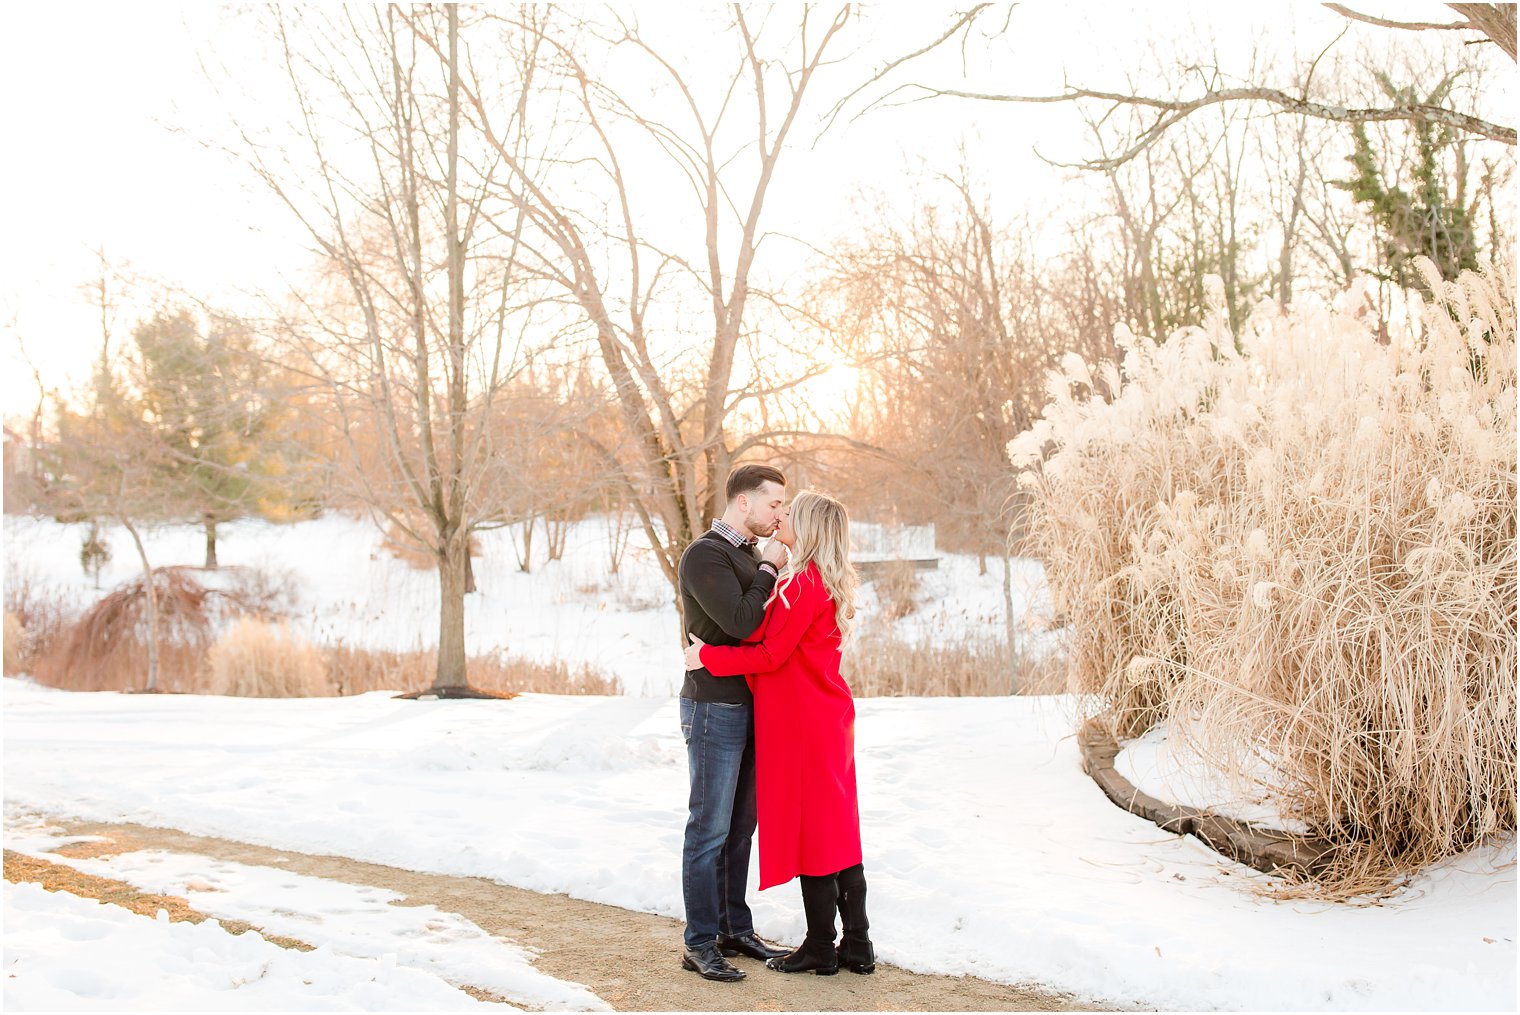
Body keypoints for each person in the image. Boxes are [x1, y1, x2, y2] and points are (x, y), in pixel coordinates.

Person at [684, 490, 875, 977]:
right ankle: (857, 943)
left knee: (815, 833)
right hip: (826, 715)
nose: (779, 517)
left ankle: (820, 946)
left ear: (807, 527)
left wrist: (706, 656)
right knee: (838, 832)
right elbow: (762, 635)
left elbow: (766, 650)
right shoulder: (818, 580)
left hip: (803, 721)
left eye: (788, 513)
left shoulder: (802, 584)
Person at [676, 464, 792, 982]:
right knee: (708, 829)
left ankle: (733, 928)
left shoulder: (744, 556)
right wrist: (769, 568)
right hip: (712, 707)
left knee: (741, 827)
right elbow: (743, 622)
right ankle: (699, 942)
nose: (779, 514)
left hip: (751, 704)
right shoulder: (705, 555)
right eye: (774, 505)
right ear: (744, 502)